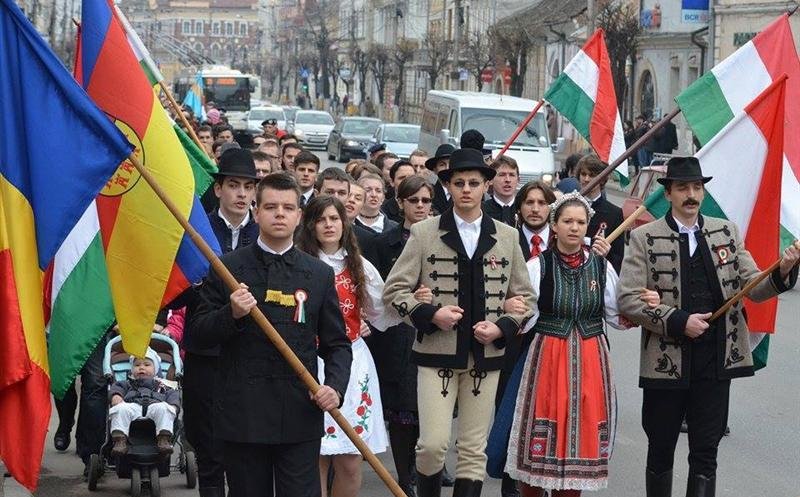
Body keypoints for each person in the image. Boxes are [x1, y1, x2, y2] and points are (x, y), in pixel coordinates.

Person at [617, 157, 800, 497]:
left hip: (715, 358)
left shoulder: (725, 231)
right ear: (669, 193)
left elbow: (753, 285)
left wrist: (783, 270)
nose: (691, 195)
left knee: (705, 451)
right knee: (660, 448)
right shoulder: (644, 236)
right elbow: (628, 298)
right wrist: (679, 321)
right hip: (666, 360)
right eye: (683, 188)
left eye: (697, 188)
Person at [383, 148, 534, 497]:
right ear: (448, 187)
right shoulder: (424, 232)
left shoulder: (507, 236)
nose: (467, 189)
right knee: (433, 444)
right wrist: (430, 314)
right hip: (437, 354)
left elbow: (524, 298)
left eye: (474, 183)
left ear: (486, 186)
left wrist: (502, 326)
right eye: (459, 183)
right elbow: (394, 290)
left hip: (485, 358)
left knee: (472, 449)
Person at [191, 173, 352, 497]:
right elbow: (197, 335)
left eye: (288, 207)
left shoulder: (319, 275)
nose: (279, 213)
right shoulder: (226, 268)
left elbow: (337, 345)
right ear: (256, 212)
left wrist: (334, 387)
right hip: (242, 416)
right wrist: (230, 314)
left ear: (299, 216)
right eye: (271, 207)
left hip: (298, 413)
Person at [493, 192, 659, 497]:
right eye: (567, 221)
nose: (574, 227)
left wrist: (643, 302)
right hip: (547, 357)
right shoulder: (537, 266)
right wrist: (510, 310)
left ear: (588, 226)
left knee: (582, 433)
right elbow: (524, 315)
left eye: (580, 222)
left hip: (590, 358)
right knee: (541, 431)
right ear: (554, 225)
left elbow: (616, 314)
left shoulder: (600, 266)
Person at [296, 196, 399, 497]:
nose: (328, 225)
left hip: (352, 364)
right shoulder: (299, 263)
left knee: (351, 461)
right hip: (308, 362)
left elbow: (384, 312)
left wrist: (414, 302)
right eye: (321, 219)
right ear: (310, 225)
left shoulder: (359, 266)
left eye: (334, 219)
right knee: (314, 457)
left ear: (344, 223)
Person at [182, 148, 261, 497]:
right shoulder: (195, 230)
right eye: (233, 185)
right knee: (208, 449)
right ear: (218, 189)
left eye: (248, 186)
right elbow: (174, 296)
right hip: (207, 351)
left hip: (251, 356)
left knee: (246, 452)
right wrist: (195, 283)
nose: (241, 193)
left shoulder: (263, 235)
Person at [374, 175, 434, 496]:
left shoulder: (442, 239)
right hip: (398, 333)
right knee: (402, 409)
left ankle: (421, 469)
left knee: (428, 409)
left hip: (434, 330)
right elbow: (380, 289)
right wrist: (410, 296)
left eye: (426, 201)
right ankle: (404, 477)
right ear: (400, 204)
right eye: (414, 201)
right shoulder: (385, 243)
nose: (420, 206)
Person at [109, 348, 180, 457]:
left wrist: (173, 405)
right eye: (137, 365)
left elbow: (172, 395)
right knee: (120, 409)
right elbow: (116, 389)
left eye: (147, 365)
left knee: (164, 408)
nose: (141, 367)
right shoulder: (126, 383)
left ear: (155, 369)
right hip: (132, 408)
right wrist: (116, 396)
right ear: (132, 369)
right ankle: (120, 440)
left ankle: (164, 438)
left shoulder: (162, 384)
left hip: (155, 408)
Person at [576, 155, 624, 273]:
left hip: (598, 274)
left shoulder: (614, 213)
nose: (586, 179)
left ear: (602, 179)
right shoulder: (567, 206)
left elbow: (618, 256)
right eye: (583, 174)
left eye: (592, 175)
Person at [483, 155, 520, 226]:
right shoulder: (481, 211)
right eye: (502, 175)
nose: (507, 180)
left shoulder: (524, 209)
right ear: (491, 180)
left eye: (512, 175)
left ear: (518, 180)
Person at [424, 144, 455, 215]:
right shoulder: (428, 193)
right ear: (435, 170)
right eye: (442, 165)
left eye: (451, 164)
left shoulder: (464, 192)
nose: (447, 168)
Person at [382, 159, 416, 224]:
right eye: (402, 178)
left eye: (411, 177)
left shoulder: (427, 207)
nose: (407, 181)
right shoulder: (383, 212)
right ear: (392, 182)